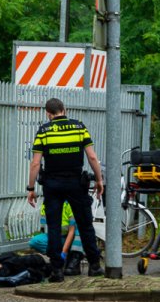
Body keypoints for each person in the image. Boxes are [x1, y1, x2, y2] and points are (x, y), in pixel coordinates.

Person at [26, 98, 104, 282]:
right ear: (64, 109)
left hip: (52, 184)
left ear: (48, 113)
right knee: (85, 224)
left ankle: (57, 271)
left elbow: (36, 163)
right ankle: (94, 266)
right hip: (76, 183)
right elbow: (92, 157)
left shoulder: (43, 131)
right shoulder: (79, 127)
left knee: (53, 227)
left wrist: (31, 188)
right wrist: (99, 179)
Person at [29, 201, 84, 275]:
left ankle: (73, 260)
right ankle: (56, 257)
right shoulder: (45, 205)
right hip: (58, 236)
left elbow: (71, 231)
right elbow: (46, 230)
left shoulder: (69, 204)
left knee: (81, 229)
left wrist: (64, 252)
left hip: (72, 239)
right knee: (35, 241)